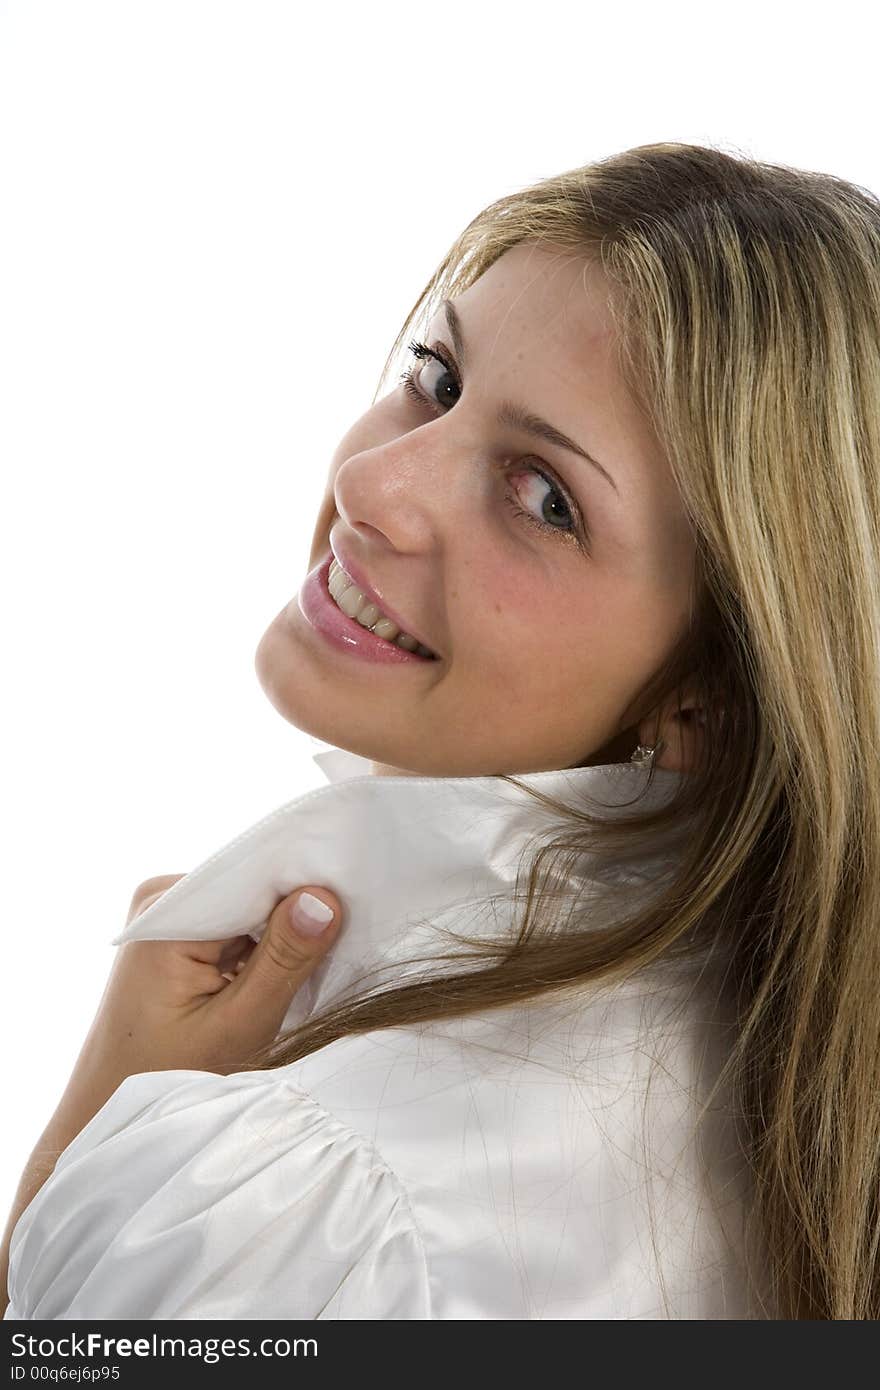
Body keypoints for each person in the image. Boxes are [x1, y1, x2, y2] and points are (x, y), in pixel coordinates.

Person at [3, 139, 879, 1319]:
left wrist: (81, 1158)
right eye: (437, 378)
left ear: (709, 695)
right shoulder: (801, 1084)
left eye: (543, 496)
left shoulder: (291, 1205)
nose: (376, 486)